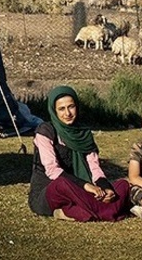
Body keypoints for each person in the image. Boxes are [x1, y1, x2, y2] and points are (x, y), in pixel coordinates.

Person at [28, 85, 130, 222]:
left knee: (122, 185)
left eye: (71, 107)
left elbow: (94, 168)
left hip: (81, 191)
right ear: (54, 111)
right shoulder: (45, 131)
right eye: (61, 109)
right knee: (62, 184)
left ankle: (74, 211)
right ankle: (110, 210)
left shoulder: (83, 134)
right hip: (50, 191)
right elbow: (52, 170)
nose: (67, 113)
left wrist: (106, 188)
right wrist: (86, 186)